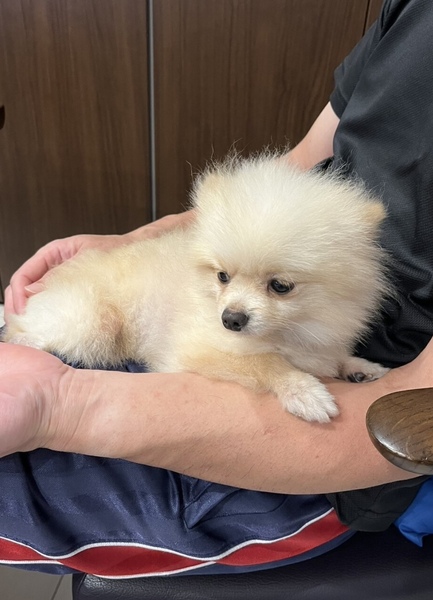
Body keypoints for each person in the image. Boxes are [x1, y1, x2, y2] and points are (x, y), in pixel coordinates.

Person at [0, 0, 432, 577]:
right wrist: (134, 238)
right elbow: (300, 162)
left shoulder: (343, 268)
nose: (234, 308)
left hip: (341, 457)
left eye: (279, 286)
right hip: (112, 326)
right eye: (225, 278)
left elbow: (412, 407)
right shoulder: (411, 9)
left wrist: (58, 406)